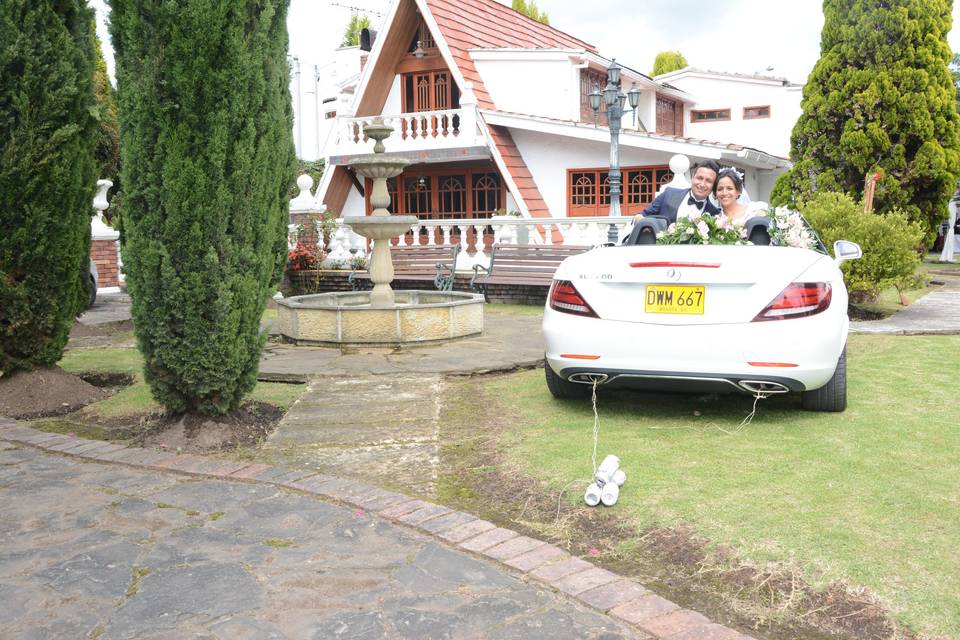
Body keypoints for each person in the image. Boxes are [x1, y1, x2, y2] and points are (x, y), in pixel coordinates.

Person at [635, 159, 721, 225]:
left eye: (708, 181)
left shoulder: (715, 214)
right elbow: (642, 215)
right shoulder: (668, 194)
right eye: (699, 178)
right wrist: (641, 220)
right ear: (692, 178)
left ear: (713, 186)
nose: (702, 184)